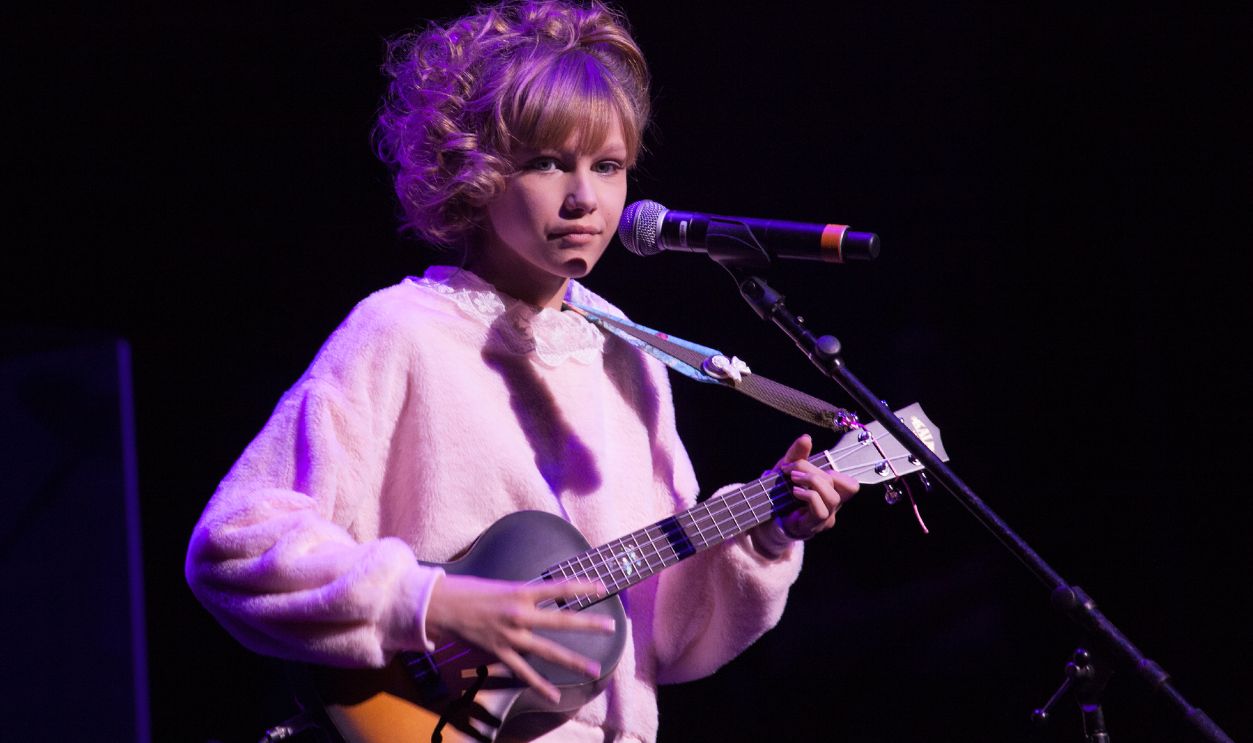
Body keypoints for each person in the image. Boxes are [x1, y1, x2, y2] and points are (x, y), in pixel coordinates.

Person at [184, 1, 858, 740]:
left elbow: (662, 638)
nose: (584, 198)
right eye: (547, 162)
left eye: (607, 166)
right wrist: (432, 601)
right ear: (473, 172)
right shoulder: (402, 332)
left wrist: (763, 538)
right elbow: (235, 545)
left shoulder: (632, 357)